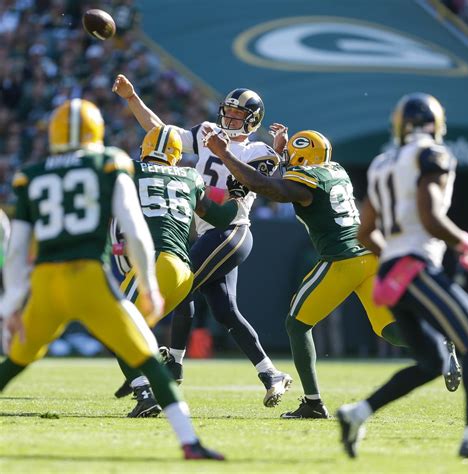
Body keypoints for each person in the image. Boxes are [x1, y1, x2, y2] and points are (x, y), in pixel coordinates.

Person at [0, 98, 224, 461]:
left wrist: (11, 305)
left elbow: (17, 250)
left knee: (14, 363)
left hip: (46, 284)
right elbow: (134, 230)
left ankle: (161, 414)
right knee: (148, 358)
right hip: (90, 279)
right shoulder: (109, 164)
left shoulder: (32, 175)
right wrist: (147, 282)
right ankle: (190, 442)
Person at [202, 123, 408, 419]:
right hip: (368, 257)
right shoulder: (335, 171)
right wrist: (281, 153)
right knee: (388, 329)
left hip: (342, 258)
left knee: (297, 324)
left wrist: (225, 154)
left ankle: (313, 402)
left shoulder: (306, 179)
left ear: (303, 157)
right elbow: (287, 182)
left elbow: (268, 187)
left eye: (292, 156)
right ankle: (439, 342)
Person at [112, 74, 292, 408]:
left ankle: (174, 365)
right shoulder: (210, 133)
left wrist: (222, 159)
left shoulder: (259, 150)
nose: (230, 118)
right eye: (228, 111)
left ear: (252, 120)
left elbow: (245, 188)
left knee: (184, 283)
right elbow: (163, 134)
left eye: (238, 115)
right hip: (209, 232)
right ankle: (271, 373)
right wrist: (133, 98)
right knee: (225, 311)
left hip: (231, 230)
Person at [335, 92, 468, 458]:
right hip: (416, 265)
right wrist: (465, 241)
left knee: (431, 362)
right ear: (435, 123)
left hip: (393, 272)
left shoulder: (382, 162)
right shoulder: (431, 155)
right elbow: (430, 216)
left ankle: (357, 413)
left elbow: (366, 232)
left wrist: (395, 261)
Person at [111, 124, 247, 418]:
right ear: (176, 154)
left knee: (117, 326)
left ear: (145, 148)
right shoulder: (189, 177)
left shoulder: (131, 169)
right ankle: (155, 365)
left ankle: (145, 394)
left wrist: (119, 253)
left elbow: (114, 221)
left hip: (156, 261)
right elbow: (220, 217)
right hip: (185, 272)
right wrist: (237, 198)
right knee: (135, 329)